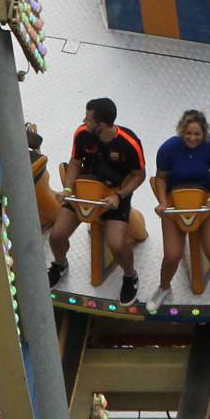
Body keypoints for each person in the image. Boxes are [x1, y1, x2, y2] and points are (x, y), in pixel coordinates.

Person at [47, 97, 147, 304]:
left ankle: (130, 276)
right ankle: (60, 264)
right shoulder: (82, 133)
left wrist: (119, 196)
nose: (84, 121)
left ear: (101, 126)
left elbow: (139, 175)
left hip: (115, 194)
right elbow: (75, 162)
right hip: (85, 190)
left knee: (116, 244)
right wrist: (67, 188)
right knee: (56, 236)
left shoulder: (129, 143)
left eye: (89, 119)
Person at [149, 110, 210, 316]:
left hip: (204, 201)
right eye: (188, 133)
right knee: (172, 254)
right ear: (182, 131)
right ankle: (163, 287)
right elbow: (160, 178)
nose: (192, 138)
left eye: (197, 134)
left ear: (204, 133)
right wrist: (163, 202)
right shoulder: (168, 148)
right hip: (176, 201)